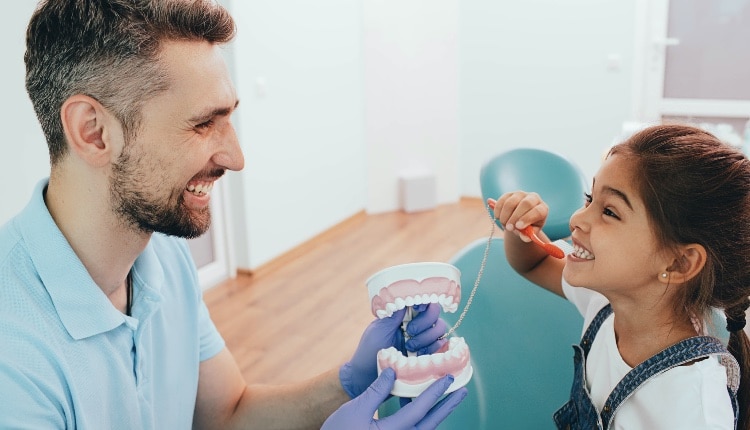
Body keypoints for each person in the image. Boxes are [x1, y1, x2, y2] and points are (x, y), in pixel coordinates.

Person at [0, 1, 467, 428]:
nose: (236, 157)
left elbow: (227, 413)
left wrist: (349, 381)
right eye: (204, 123)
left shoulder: (160, 252)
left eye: (229, 119)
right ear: (94, 132)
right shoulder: (14, 356)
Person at [490, 124, 750, 429]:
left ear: (679, 263)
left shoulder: (694, 405)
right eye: (590, 198)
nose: (577, 219)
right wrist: (522, 229)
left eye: (610, 212)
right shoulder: (605, 300)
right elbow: (532, 264)